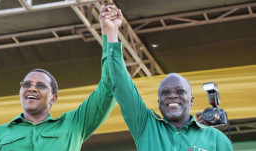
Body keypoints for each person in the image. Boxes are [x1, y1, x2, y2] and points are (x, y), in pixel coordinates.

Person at [0, 6, 117, 151]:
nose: (32, 88)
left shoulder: (73, 125)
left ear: (53, 98)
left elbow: (110, 87)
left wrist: (109, 32)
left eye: (40, 85)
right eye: (27, 84)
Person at [100, 5, 233, 151]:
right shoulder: (146, 126)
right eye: (165, 92)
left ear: (192, 99)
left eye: (180, 91)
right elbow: (122, 86)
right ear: (158, 102)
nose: (172, 96)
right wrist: (112, 32)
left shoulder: (215, 139)